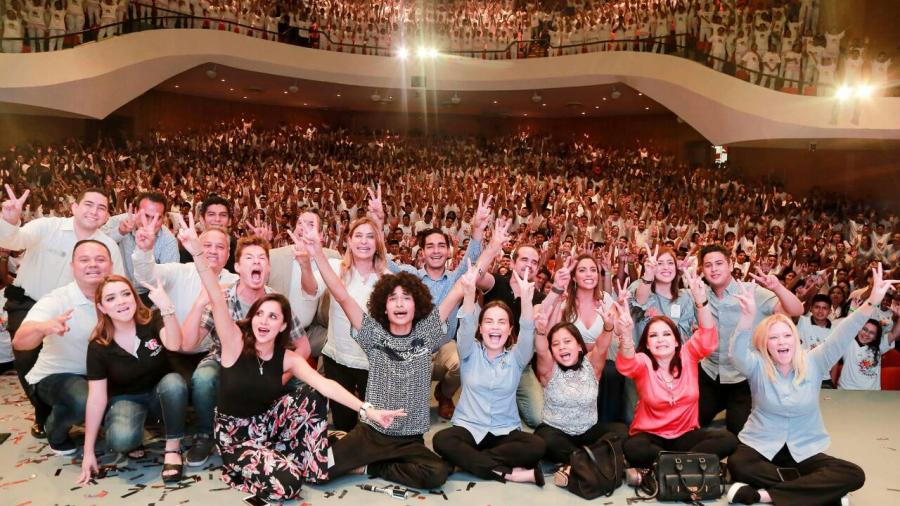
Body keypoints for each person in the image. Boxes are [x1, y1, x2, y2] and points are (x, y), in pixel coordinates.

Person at [178, 214, 403, 502]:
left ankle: (293, 453)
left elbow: (326, 387)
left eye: (273, 316)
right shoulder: (234, 342)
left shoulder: (287, 358)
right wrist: (196, 252)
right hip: (238, 435)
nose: (263, 321)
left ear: (283, 326)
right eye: (259, 314)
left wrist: (368, 410)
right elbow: (213, 290)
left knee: (311, 393)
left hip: (268, 423)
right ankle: (275, 462)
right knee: (289, 482)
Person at [300, 218, 469, 490]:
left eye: (406, 298)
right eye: (393, 299)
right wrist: (317, 252)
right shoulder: (373, 334)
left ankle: (374, 466)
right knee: (316, 472)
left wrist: (492, 245)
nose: (400, 303)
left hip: (409, 439)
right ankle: (360, 452)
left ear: (417, 304)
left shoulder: (425, 333)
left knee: (436, 473)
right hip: (372, 433)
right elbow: (342, 295)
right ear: (383, 307)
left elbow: (460, 287)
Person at [725, 263, 897, 505]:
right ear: (765, 344)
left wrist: (872, 301)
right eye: (773, 338)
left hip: (803, 448)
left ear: (795, 339)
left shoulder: (815, 360)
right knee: (738, 464)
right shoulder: (757, 365)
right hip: (761, 444)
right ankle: (818, 492)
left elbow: (843, 333)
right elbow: (736, 354)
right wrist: (746, 318)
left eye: (786, 336)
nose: (781, 342)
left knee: (853, 474)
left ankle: (764, 495)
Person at [179, 232, 310, 465]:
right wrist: (200, 303)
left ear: (268, 267)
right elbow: (188, 343)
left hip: (267, 366)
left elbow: (303, 347)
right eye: (249, 258)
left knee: (304, 387)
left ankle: (289, 434)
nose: (257, 262)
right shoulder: (223, 298)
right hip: (226, 362)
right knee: (203, 378)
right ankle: (205, 433)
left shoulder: (277, 301)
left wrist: (280, 378)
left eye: (262, 258)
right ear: (238, 266)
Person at [370, 189, 495, 420]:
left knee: (462, 361)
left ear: (448, 251)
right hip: (415, 349)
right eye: (430, 246)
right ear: (422, 253)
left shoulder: (457, 277)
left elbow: (473, 260)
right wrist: (377, 223)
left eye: (441, 246)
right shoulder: (410, 276)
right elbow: (381, 261)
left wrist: (477, 230)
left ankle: (445, 394)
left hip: (445, 348)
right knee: (405, 414)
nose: (436, 251)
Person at [132, 218, 238, 466]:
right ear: (195, 247)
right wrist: (145, 251)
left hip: (214, 352)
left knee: (206, 379)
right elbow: (147, 275)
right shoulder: (178, 271)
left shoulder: (233, 281)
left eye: (219, 247)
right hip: (176, 349)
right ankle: (172, 433)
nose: (212, 251)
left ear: (228, 253)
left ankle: (205, 433)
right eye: (206, 245)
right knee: (172, 387)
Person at [615, 267, 737, 482]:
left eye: (666, 334)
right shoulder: (643, 362)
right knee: (634, 448)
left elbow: (708, 338)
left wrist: (701, 302)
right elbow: (626, 364)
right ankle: (691, 467)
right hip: (650, 437)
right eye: (653, 335)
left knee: (727, 439)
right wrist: (625, 333)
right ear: (648, 345)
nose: (660, 339)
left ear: (676, 340)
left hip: (685, 436)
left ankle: (663, 468)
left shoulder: (688, 354)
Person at [433, 265, 546, 485]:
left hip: (504, 432)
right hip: (469, 428)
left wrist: (525, 300)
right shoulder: (469, 351)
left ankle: (464, 463)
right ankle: (507, 473)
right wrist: (467, 294)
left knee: (537, 446)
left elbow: (527, 330)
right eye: (489, 321)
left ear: (509, 329)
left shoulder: (517, 357)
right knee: (441, 440)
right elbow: (465, 324)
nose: (495, 327)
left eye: (502, 322)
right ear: (481, 328)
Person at [78, 275, 187, 484]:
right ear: (102, 307)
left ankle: (172, 449)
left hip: (160, 393)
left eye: (126, 294)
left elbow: (174, 344)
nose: (121, 301)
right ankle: (137, 431)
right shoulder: (98, 345)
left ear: (135, 298)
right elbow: (96, 398)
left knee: (174, 383)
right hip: (126, 399)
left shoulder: (152, 320)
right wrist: (88, 451)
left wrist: (166, 307)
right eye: (111, 298)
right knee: (122, 440)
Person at [12, 240, 113, 454]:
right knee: (82, 400)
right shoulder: (57, 299)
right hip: (58, 375)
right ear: (73, 267)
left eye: (100, 259)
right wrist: (43, 327)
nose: (93, 265)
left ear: (111, 265)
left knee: (122, 430)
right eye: (84, 260)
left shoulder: (118, 294)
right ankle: (54, 429)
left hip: (101, 375)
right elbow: (19, 341)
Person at [696, 244, 804, 434]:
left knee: (740, 433)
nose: (714, 269)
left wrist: (778, 287)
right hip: (710, 374)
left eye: (719, 263)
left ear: (730, 265)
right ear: (702, 270)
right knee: (691, 424)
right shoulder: (699, 294)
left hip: (742, 378)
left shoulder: (751, 291)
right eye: (708, 265)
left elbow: (796, 310)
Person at [532, 297, 629, 487]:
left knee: (621, 432)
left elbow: (602, 347)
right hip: (557, 432)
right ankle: (595, 460)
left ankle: (573, 464)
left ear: (578, 346)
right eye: (556, 344)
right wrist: (540, 331)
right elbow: (542, 351)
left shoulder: (591, 365)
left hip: (589, 431)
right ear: (552, 350)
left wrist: (608, 327)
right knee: (542, 441)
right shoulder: (549, 369)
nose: (562, 347)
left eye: (567, 341)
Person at [303, 216, 388, 431]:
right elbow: (310, 289)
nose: (363, 241)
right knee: (344, 424)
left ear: (377, 243)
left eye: (370, 236)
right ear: (349, 241)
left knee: (373, 424)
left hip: (373, 363)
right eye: (358, 236)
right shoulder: (334, 266)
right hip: (338, 358)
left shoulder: (386, 278)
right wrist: (305, 265)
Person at [480, 243, 546, 428]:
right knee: (487, 416)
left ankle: (512, 395)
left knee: (538, 418)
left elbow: (533, 320)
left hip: (520, 366)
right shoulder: (496, 282)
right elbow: (475, 277)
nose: (529, 265)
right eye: (524, 259)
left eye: (534, 262)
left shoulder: (538, 297)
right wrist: (492, 247)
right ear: (512, 263)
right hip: (489, 363)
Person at [103, 192, 180, 306]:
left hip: (148, 294)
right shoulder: (119, 221)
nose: (149, 223)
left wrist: (155, 311)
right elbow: (96, 243)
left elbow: (170, 280)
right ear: (135, 211)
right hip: (115, 288)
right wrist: (120, 232)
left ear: (163, 218)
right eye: (146, 216)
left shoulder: (168, 241)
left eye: (156, 218)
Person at [837, 313, 900, 390]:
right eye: (865, 329)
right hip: (846, 390)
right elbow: (846, 326)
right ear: (859, 329)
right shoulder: (849, 342)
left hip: (872, 394)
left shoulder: (879, 346)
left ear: (875, 337)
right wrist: (853, 311)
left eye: (872, 333)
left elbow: (894, 334)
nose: (866, 334)